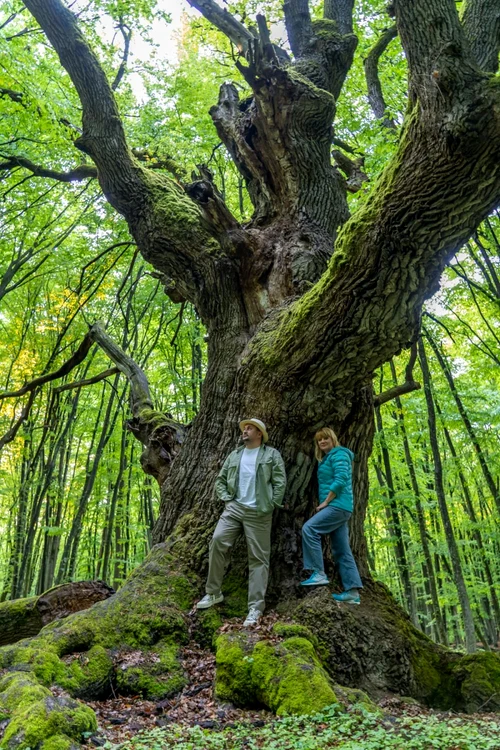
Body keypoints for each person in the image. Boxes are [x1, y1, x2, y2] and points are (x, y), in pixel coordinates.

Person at [196, 418, 286, 626]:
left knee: (258, 558)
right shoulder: (235, 454)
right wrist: (226, 498)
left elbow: (280, 481)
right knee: (217, 541)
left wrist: (272, 503)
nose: (245, 430)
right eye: (244, 428)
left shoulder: (271, 455)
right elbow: (220, 479)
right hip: (234, 508)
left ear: (259, 434)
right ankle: (213, 593)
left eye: (249, 428)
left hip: (259, 511)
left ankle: (255, 608)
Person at [301, 427, 363, 604]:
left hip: (337, 505)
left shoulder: (339, 454)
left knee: (309, 528)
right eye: (319, 440)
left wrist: (327, 501)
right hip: (340, 507)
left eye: (325, 438)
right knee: (342, 550)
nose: (322, 442)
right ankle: (352, 592)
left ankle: (318, 573)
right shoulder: (328, 458)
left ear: (333, 439)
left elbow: (341, 478)